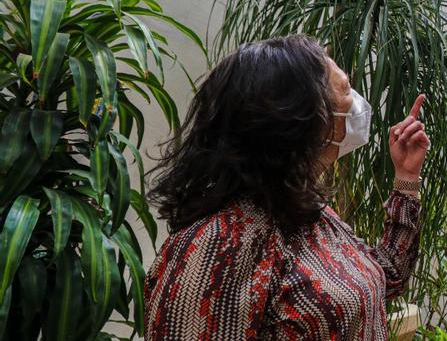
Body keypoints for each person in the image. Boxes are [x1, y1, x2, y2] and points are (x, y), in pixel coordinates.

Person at [145, 34, 431, 340]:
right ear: (299, 117)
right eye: (346, 90)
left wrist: (406, 176)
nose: (357, 103)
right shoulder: (220, 246)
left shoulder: (314, 217)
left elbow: (384, 278)